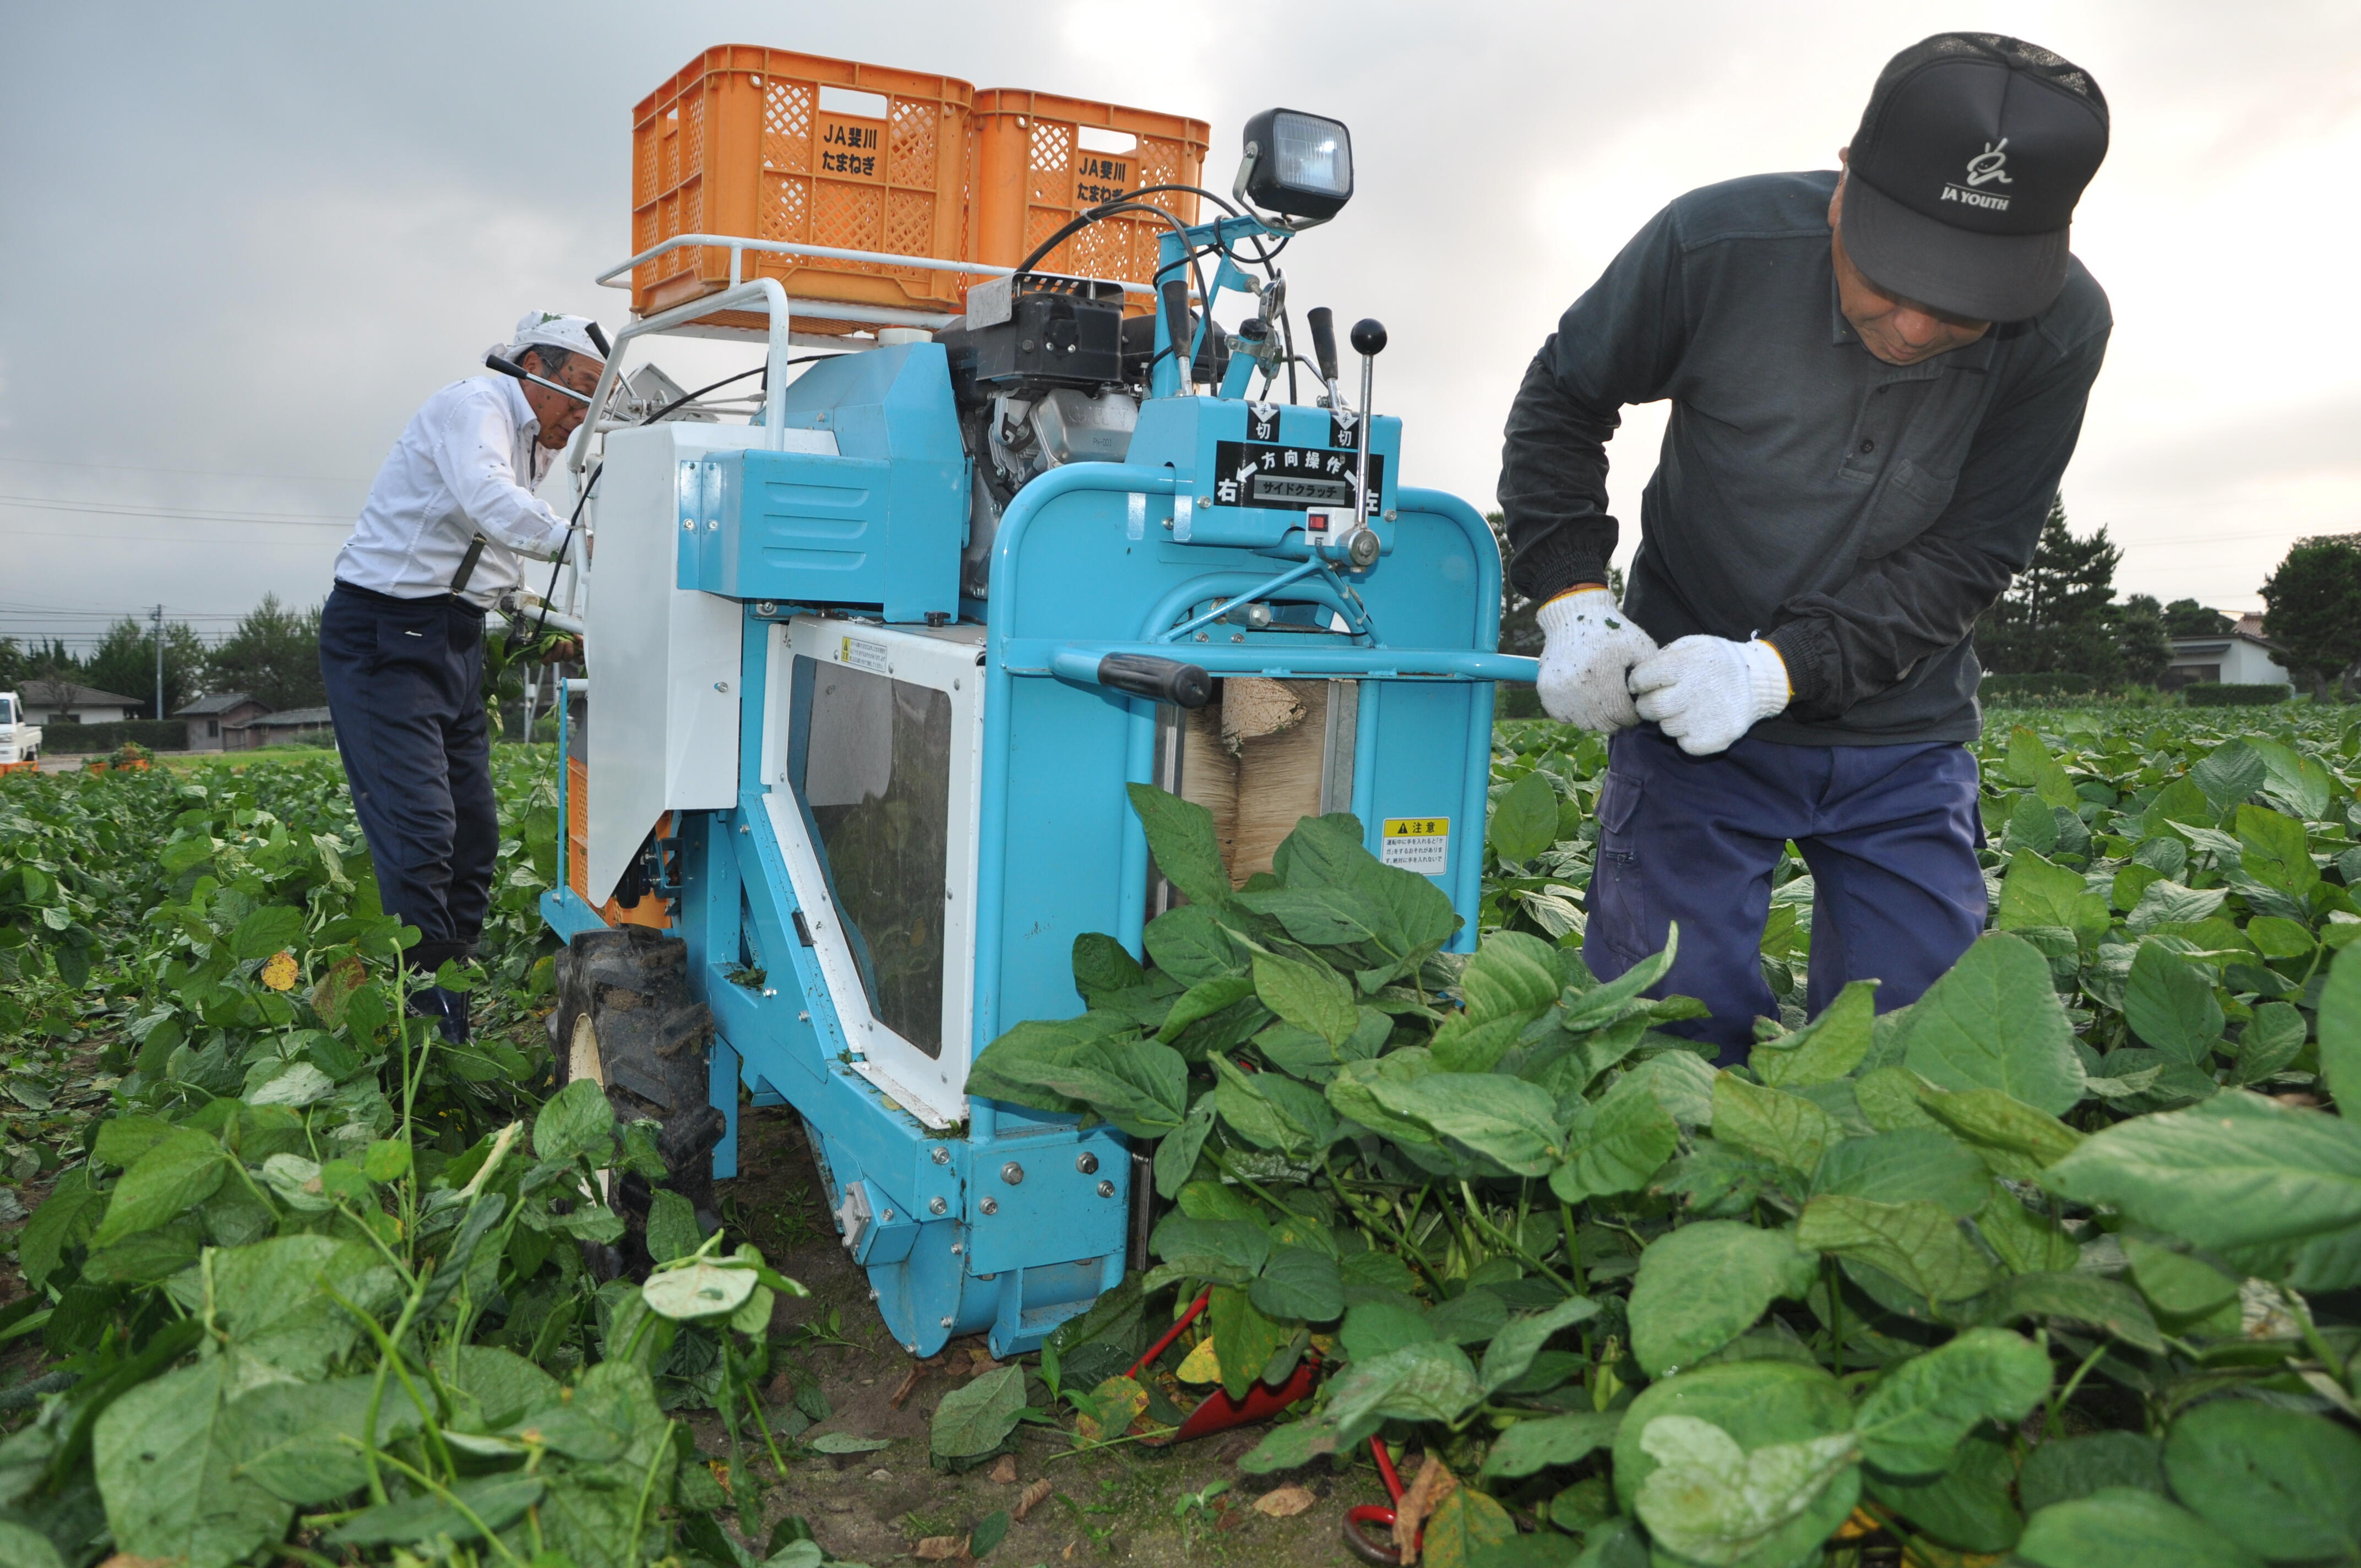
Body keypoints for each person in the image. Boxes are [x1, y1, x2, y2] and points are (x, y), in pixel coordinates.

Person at [1498, 34, 2112, 1058]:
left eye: (1966, 301)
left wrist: (1779, 671)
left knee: (1922, 1052)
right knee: (1669, 1032)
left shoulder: (2062, 328)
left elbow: (1970, 556)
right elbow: (1563, 400)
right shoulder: (1714, 244)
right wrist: (1571, 601)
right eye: (1894, 276)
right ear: (1844, 189)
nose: (1916, 326)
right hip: (1685, 710)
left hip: (1902, 736)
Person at [319, 311, 603, 1041]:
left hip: (453, 637)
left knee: (475, 839)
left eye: (592, 401)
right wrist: (589, 545)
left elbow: (488, 558)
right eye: (576, 392)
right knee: (423, 834)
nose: (581, 414)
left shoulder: (534, 444)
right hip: (385, 635)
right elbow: (491, 504)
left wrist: (545, 623)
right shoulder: (474, 406)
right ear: (530, 368)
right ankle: (432, 1030)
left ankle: (451, 989)